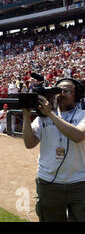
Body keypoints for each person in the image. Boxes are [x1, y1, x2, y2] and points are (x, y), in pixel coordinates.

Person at [22, 78, 85, 222]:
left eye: (66, 91)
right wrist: (26, 115)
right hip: (49, 183)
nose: (61, 94)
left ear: (78, 95)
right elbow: (29, 143)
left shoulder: (83, 115)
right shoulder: (41, 119)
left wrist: (51, 114)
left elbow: (78, 136)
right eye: (58, 91)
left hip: (80, 183)